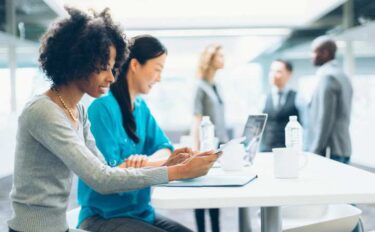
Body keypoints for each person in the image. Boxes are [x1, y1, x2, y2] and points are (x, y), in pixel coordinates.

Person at [7, 8, 218, 232]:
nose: (112, 77)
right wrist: (179, 172)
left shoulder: (77, 110)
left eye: (113, 67)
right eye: (103, 68)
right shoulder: (43, 111)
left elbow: (106, 168)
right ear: (78, 61)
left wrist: (169, 164)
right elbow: (101, 179)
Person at [77, 35, 192, 232]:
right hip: (103, 218)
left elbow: (164, 148)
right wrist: (150, 164)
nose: (159, 78)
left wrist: (143, 162)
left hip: (140, 213)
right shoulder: (102, 109)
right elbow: (109, 174)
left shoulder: (141, 108)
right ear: (136, 65)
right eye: (157, 69)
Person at [191, 44, 228, 232]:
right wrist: (195, 150)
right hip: (206, 146)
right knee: (201, 194)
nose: (223, 59)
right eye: (219, 56)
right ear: (210, 59)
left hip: (218, 145)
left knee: (215, 194)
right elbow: (196, 120)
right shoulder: (200, 86)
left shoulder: (216, 86)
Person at [307, 36, 353, 163]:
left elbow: (325, 118)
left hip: (330, 149)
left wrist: (315, 150)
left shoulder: (328, 77)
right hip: (343, 147)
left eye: (314, 51)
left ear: (325, 53)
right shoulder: (343, 75)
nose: (311, 56)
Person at [260, 59, 302, 152]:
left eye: (278, 71)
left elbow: (306, 126)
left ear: (289, 74)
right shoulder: (264, 98)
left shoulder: (298, 97)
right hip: (266, 151)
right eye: (271, 71)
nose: (274, 75)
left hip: (289, 152)